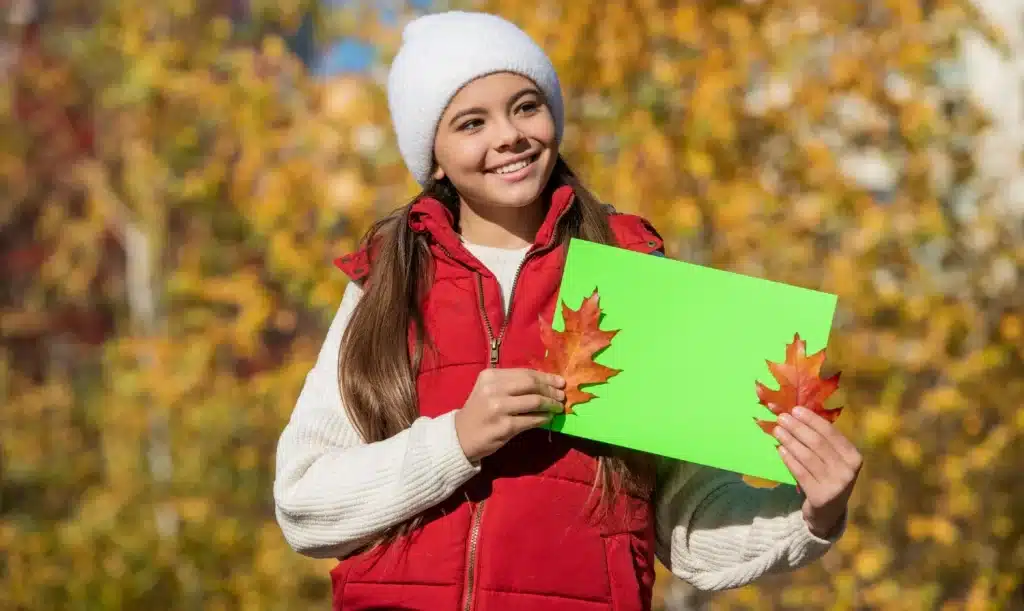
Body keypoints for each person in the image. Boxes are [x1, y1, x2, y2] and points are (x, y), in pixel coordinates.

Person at [273, 11, 862, 611]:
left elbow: (689, 530)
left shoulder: (631, 275)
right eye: (471, 122)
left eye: (526, 106)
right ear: (436, 158)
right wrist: (455, 441)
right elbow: (305, 505)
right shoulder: (387, 285)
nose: (509, 135)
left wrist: (812, 511)